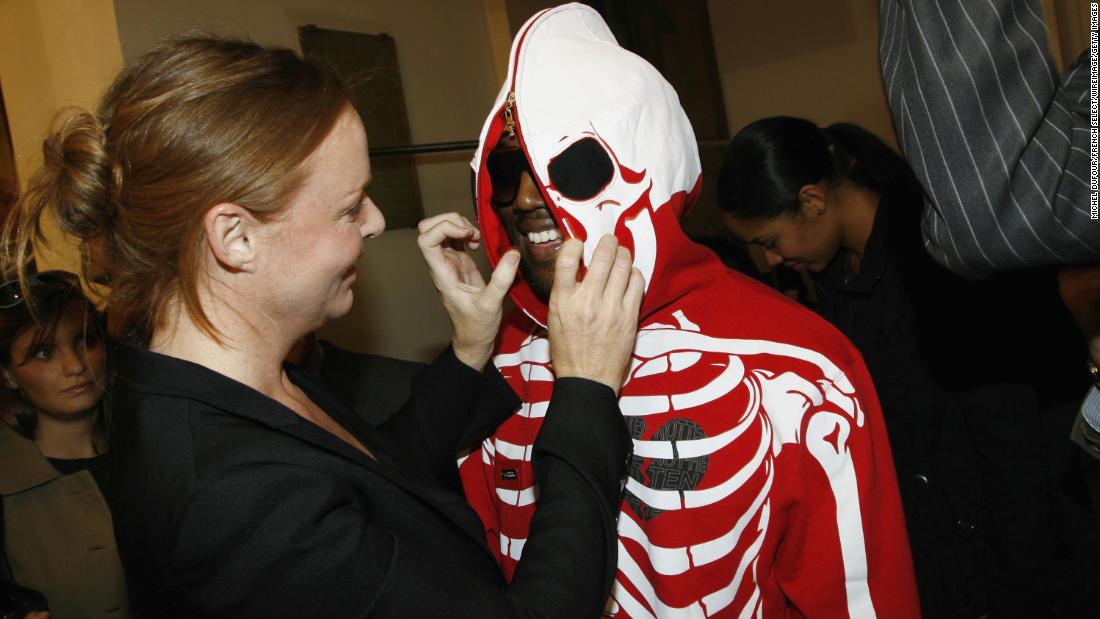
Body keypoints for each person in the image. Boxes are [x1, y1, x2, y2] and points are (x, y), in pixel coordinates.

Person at [5, 36, 644, 617]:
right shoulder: (232, 498)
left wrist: (469, 349)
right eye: (348, 207)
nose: (372, 223)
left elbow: (373, 481)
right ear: (236, 237)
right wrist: (586, 390)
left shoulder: (217, 373)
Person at [457, 5, 919, 617]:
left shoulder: (800, 365)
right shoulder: (492, 364)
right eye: (507, 168)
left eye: (557, 167)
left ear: (643, 166)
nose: (521, 198)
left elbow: (859, 596)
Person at [718, 115, 1100, 617]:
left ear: (812, 200)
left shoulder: (938, 258)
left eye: (770, 241)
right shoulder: (839, 280)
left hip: (1014, 564)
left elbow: (1011, 446)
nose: (771, 260)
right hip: (946, 560)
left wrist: (1014, 594)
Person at [0, 270, 129, 618]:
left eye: (85, 341)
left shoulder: (155, 450)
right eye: (43, 353)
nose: (75, 366)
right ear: (8, 374)